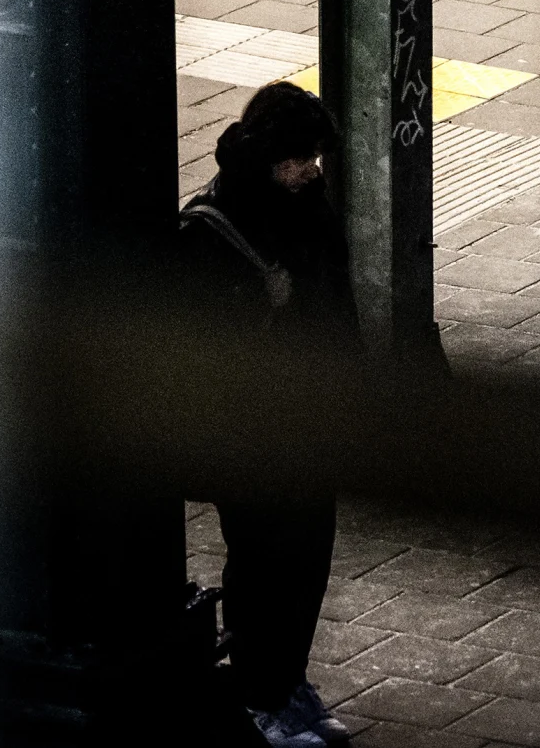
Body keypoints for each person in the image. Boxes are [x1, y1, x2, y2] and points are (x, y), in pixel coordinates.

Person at [178, 80, 358, 748]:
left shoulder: (311, 208)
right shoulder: (212, 230)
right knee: (261, 564)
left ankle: (287, 682)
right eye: (297, 157)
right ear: (266, 154)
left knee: (308, 561)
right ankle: (259, 696)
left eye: (314, 156)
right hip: (248, 436)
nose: (309, 168)